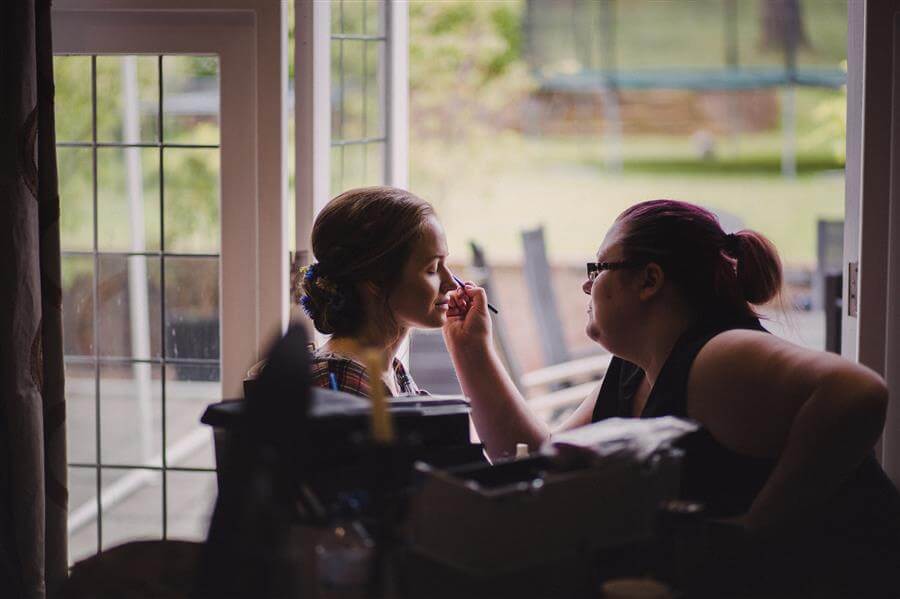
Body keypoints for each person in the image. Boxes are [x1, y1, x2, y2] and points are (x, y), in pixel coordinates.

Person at [443, 199, 900, 593]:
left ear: (649, 281)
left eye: (598, 268)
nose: (587, 285)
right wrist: (471, 349)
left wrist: (755, 529)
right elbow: (545, 464)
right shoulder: (632, 371)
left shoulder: (720, 354)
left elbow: (858, 392)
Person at [294, 186, 457, 398]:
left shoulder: (392, 373)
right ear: (377, 279)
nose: (451, 284)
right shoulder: (339, 384)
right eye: (432, 269)